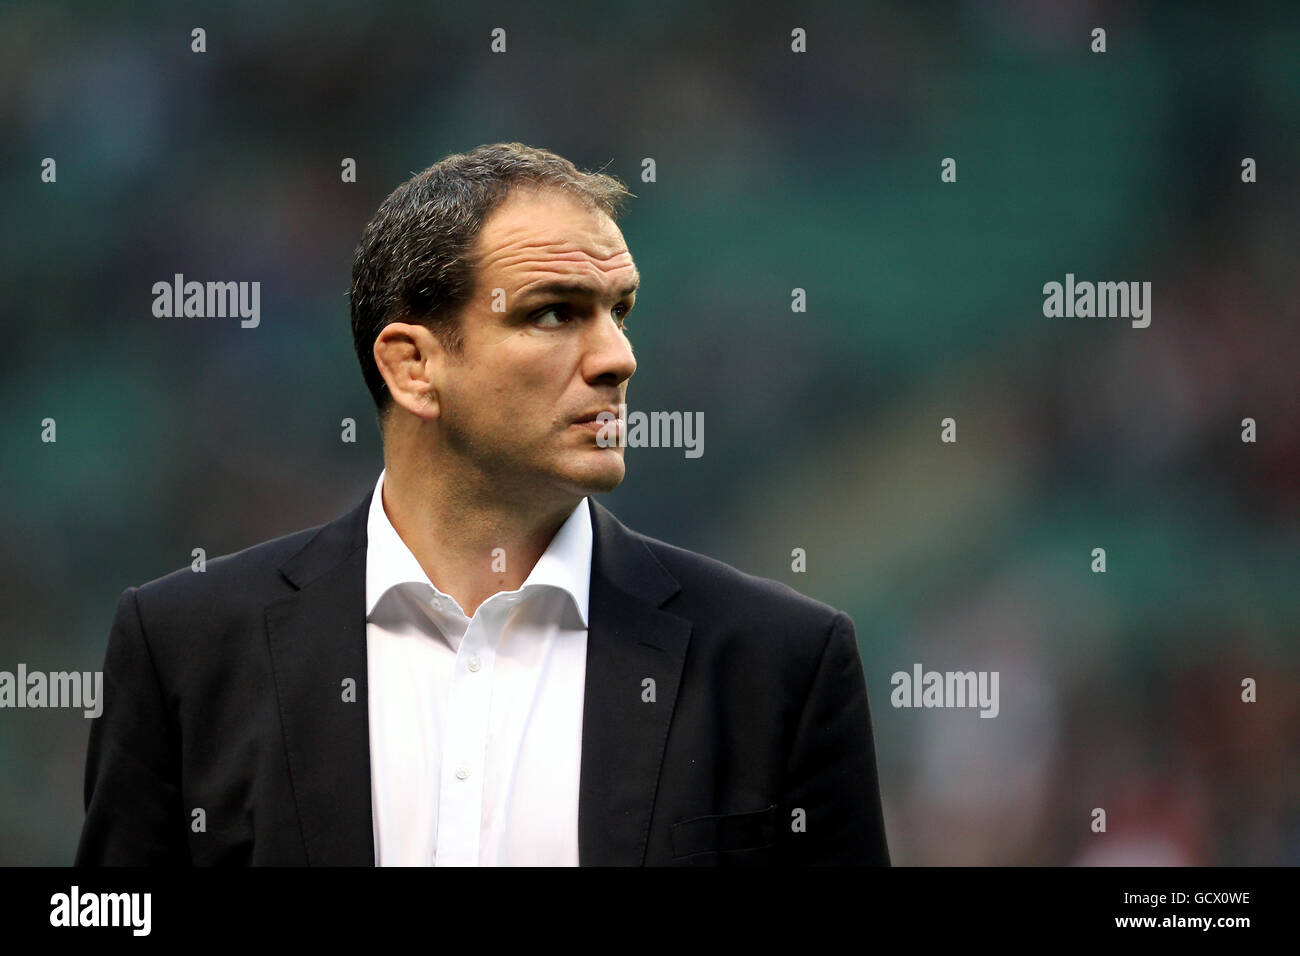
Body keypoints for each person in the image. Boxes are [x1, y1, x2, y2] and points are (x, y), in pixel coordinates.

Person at [75, 143, 890, 866]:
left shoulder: (779, 663)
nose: (618, 358)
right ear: (413, 367)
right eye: (554, 314)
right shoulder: (185, 650)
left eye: (619, 312)